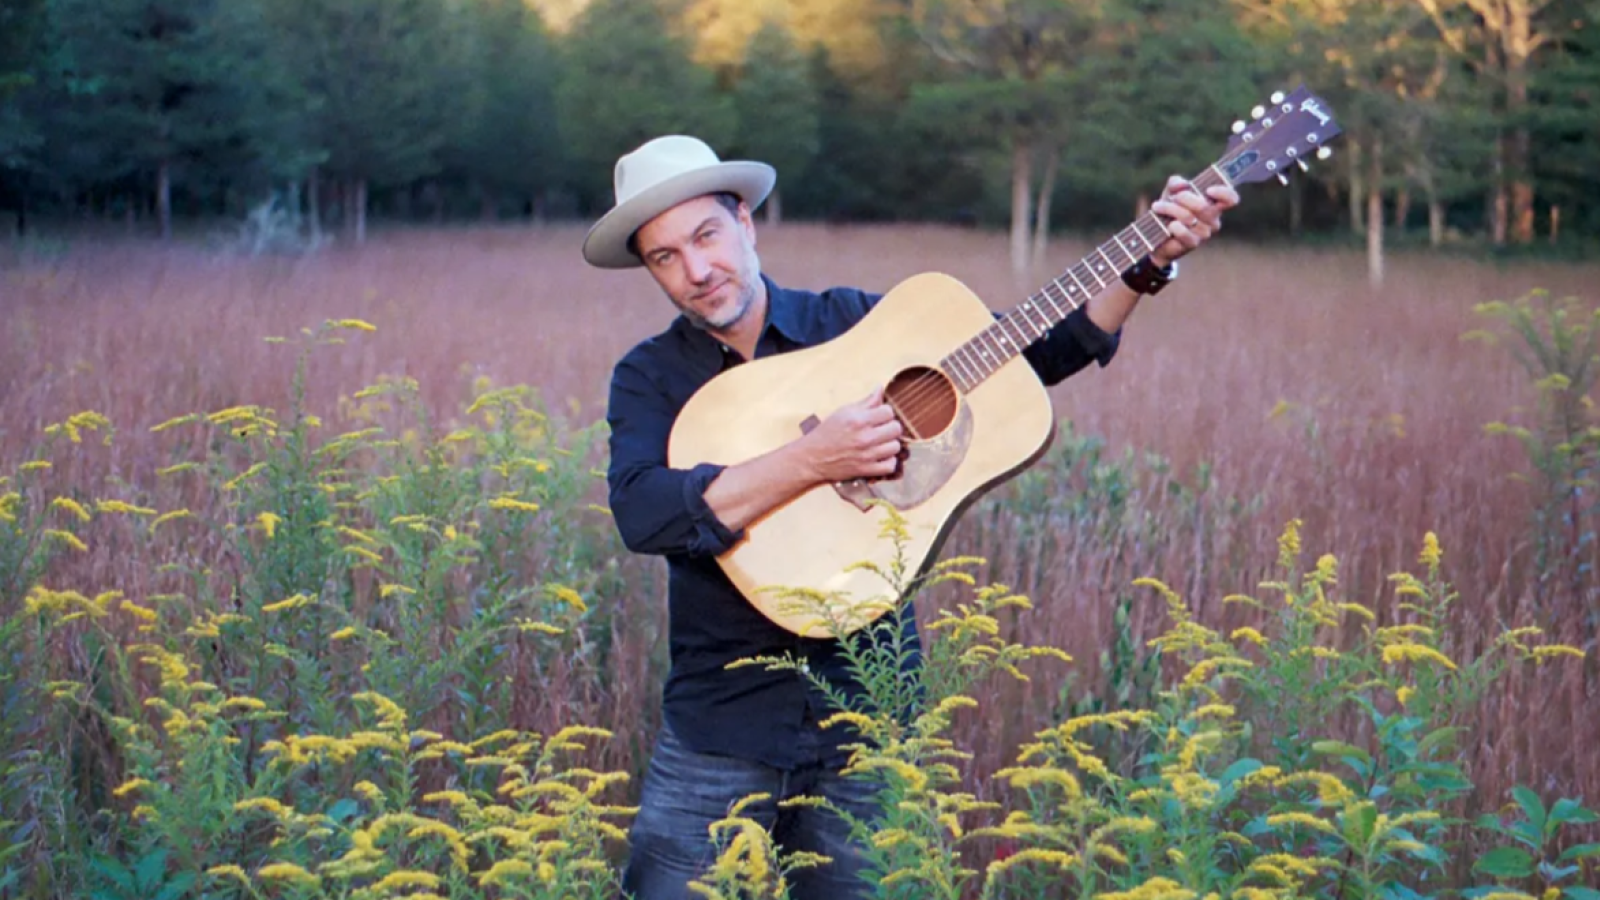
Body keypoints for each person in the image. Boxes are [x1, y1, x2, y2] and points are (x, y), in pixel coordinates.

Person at [585, 135, 1238, 899]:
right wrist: (815, 458)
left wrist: (1147, 261)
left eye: (705, 236)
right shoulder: (648, 379)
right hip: (718, 724)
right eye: (664, 257)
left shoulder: (857, 325)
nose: (696, 271)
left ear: (745, 222)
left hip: (869, 715)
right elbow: (644, 514)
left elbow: (1045, 349)